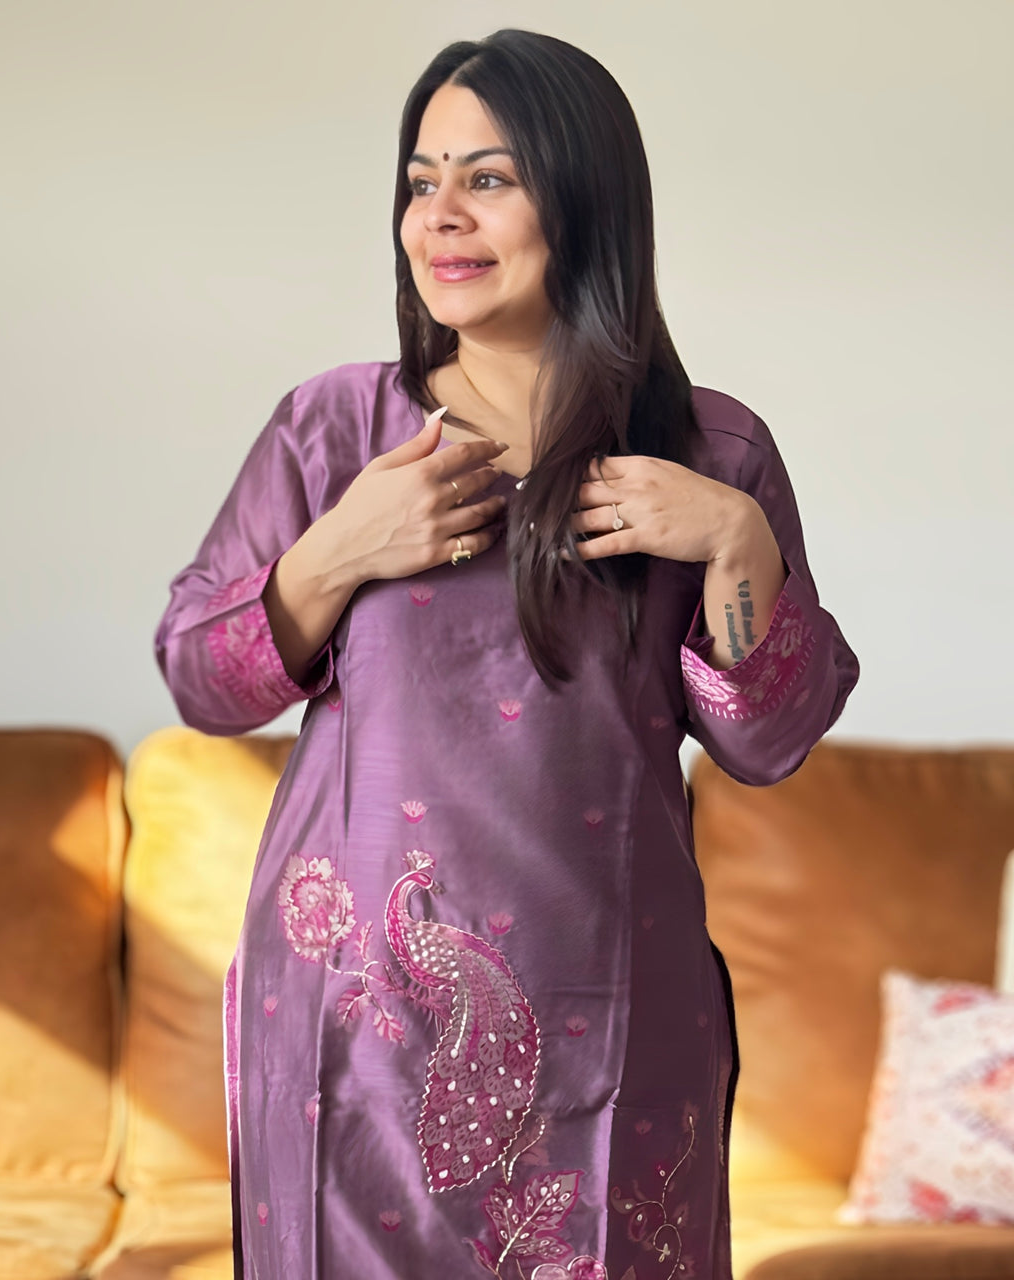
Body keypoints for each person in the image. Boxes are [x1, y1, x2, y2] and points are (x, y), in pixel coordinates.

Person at [156, 29, 858, 1280]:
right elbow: (202, 678)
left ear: (582, 198)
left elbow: (768, 739)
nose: (441, 216)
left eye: (486, 177)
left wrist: (736, 544)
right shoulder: (337, 429)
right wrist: (337, 551)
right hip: (352, 1027)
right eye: (420, 181)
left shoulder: (710, 452)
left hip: (615, 1019)